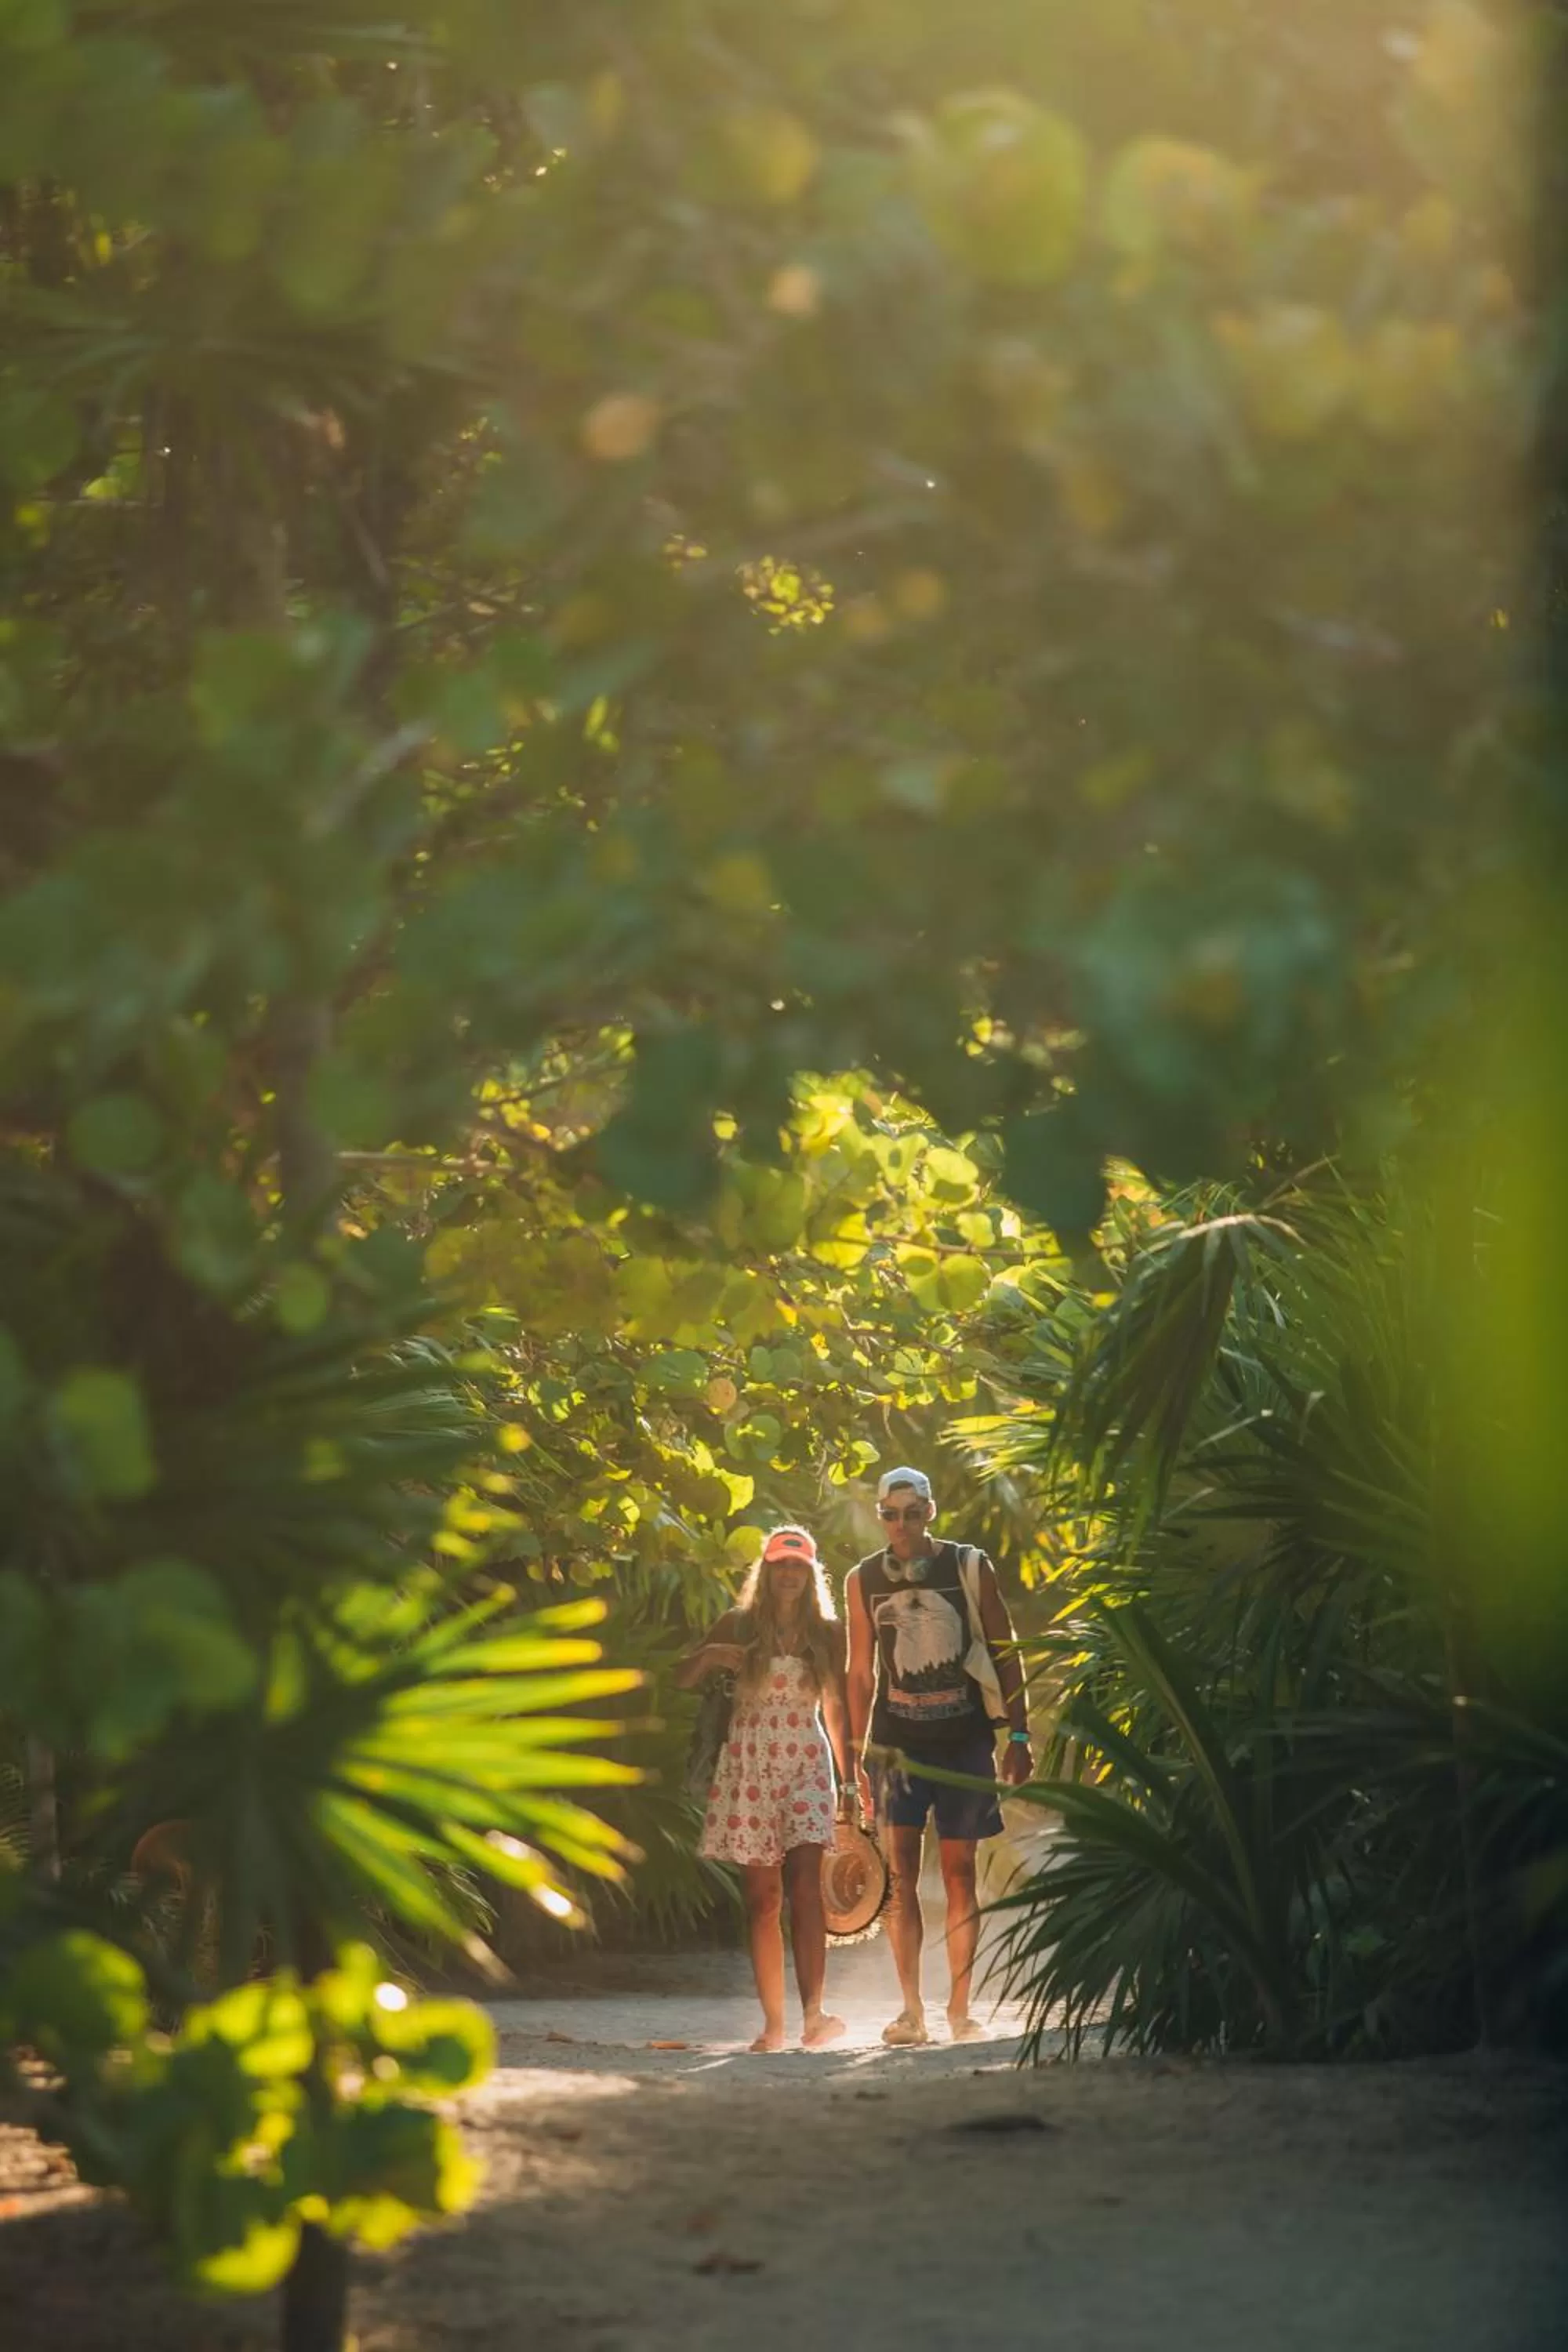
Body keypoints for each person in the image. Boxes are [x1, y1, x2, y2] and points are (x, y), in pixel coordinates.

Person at [844, 1466, 1033, 2045]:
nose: (902, 1525)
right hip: (895, 1746)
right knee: (899, 1876)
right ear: (881, 1517)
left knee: (958, 1873)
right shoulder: (863, 1578)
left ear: (930, 1511)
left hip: (965, 1741)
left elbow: (1005, 1649)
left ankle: (958, 2008)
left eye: (913, 1513)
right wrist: (856, 1753)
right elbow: (859, 1670)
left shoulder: (969, 1567)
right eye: (891, 1515)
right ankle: (910, 2011)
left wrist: (1019, 1736)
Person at [676, 1524, 852, 2052]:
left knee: (804, 1884)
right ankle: (774, 2025)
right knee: (762, 1899)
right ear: (768, 1570)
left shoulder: (827, 1631)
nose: (790, 1575)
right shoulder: (738, 1623)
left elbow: (837, 1711)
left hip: (806, 1759)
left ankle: (814, 2015)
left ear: (811, 1573)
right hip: (749, 1762)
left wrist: (850, 1779)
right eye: (781, 1565)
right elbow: (680, 1679)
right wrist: (710, 1657)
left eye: (799, 1566)